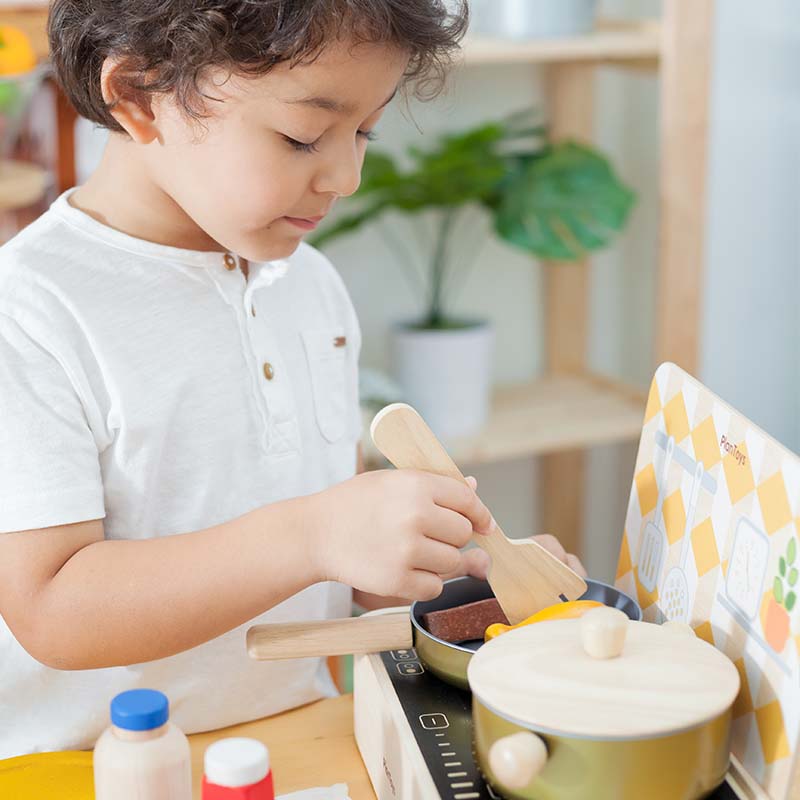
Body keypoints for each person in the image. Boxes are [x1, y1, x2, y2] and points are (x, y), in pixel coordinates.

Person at [0, 0, 585, 757]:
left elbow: (343, 559)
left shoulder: (309, 285)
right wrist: (311, 534)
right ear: (141, 96)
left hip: (304, 736)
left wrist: (468, 578)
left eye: (365, 129)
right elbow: (51, 611)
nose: (347, 174)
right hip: (96, 762)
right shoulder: (32, 309)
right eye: (303, 135)